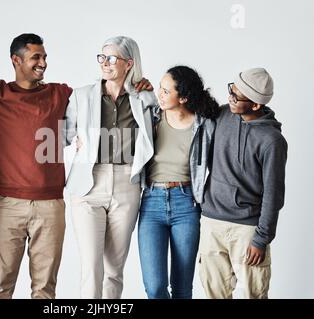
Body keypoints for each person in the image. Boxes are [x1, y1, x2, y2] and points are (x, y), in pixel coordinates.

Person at [0, 33, 151, 299]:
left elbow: (103, 96)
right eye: (36, 57)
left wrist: (139, 84)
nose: (43, 63)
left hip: (51, 204)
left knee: (45, 289)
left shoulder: (61, 94)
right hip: (9, 204)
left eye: (44, 57)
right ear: (16, 60)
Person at [63, 36, 157, 298]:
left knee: (114, 269)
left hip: (128, 184)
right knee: (91, 267)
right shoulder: (81, 95)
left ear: (129, 63)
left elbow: (162, 126)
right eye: (102, 57)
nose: (105, 63)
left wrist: (148, 92)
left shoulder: (144, 97)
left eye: (112, 58)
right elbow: (63, 134)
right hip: (88, 186)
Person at [199, 68, 288, 299]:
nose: (230, 97)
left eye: (237, 96)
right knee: (213, 294)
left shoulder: (272, 141)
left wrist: (261, 239)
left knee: (253, 294)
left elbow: (274, 194)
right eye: (231, 89)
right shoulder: (221, 115)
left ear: (256, 105)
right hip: (212, 222)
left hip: (248, 229)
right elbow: (187, 103)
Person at [137, 66, 219, 299]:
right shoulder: (150, 117)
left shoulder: (204, 126)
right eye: (159, 89)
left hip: (187, 205)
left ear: (183, 98)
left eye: (165, 91)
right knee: (155, 287)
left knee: (182, 288)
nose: (159, 95)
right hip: (151, 203)